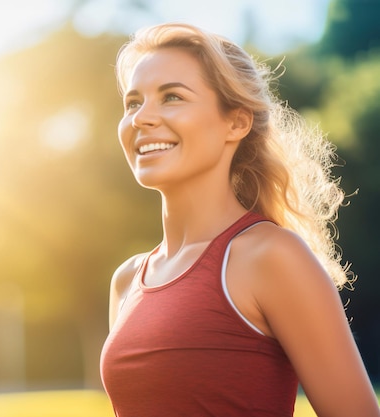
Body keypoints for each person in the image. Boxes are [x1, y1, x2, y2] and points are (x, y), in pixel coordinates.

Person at [99, 23, 380, 417]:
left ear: (237, 122)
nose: (142, 119)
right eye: (133, 103)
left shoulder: (270, 256)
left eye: (172, 97)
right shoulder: (127, 281)